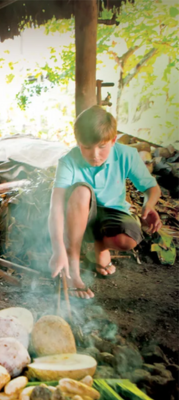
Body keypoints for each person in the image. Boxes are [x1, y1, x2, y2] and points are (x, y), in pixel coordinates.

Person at [48, 105, 162, 299]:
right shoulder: (68, 161)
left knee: (128, 239)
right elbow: (56, 206)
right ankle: (74, 268)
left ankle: (100, 246)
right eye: (86, 147)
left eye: (102, 146)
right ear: (78, 143)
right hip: (77, 215)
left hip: (111, 213)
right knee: (82, 192)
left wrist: (148, 205)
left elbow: (152, 188)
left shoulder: (127, 155)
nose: (95, 155)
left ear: (113, 140)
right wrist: (58, 249)